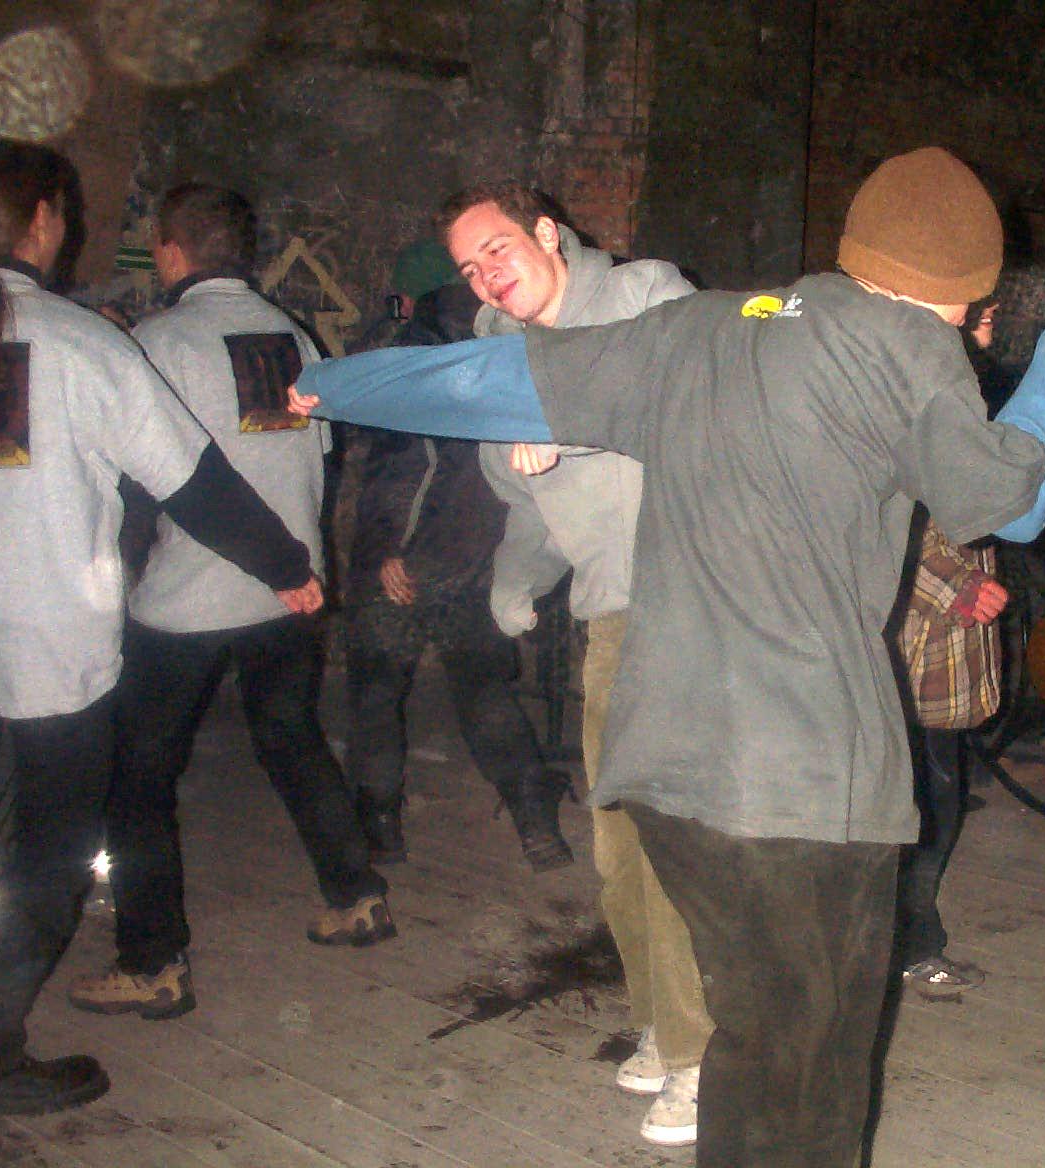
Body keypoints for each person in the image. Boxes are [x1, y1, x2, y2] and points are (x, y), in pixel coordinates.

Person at [288, 145, 1045, 1168]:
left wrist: (326, 383)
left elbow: (484, 378)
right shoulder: (908, 344)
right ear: (954, 292)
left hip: (667, 768)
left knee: (750, 1043)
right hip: (801, 791)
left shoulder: (701, 326)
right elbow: (1009, 494)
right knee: (809, 1081)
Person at [0, 138, 320, 1117]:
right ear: (44, 222)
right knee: (48, 857)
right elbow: (194, 482)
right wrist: (287, 566)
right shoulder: (82, 345)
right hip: (50, 652)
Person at [65, 183, 393, 1025]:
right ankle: (355, 893)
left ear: (172, 252)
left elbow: (136, 478)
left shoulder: (159, 341)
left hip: (190, 599)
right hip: (290, 588)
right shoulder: (293, 335)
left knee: (137, 776)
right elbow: (319, 453)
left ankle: (152, 961)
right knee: (291, 738)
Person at [443, 181, 708, 1147]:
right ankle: (661, 1022)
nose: (487, 275)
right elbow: (529, 509)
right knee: (617, 844)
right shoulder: (499, 369)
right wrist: (514, 584)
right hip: (611, 615)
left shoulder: (645, 294)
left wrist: (572, 418)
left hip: (695, 600)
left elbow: (707, 399)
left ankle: (702, 1055)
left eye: (498, 249)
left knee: (673, 840)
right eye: (470, 268)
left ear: (548, 233)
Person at [342, 242, 574, 871]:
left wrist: (389, 549)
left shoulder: (420, 348)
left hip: (417, 556)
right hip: (482, 551)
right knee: (481, 689)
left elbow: (405, 465)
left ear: (414, 292)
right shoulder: (507, 339)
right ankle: (536, 825)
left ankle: (380, 827)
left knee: (377, 689)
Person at [890, 512, 1007, 999]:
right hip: (907, 664)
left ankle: (907, 943)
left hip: (940, 664)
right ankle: (909, 947)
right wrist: (960, 587)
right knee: (921, 816)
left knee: (938, 808)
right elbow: (893, 527)